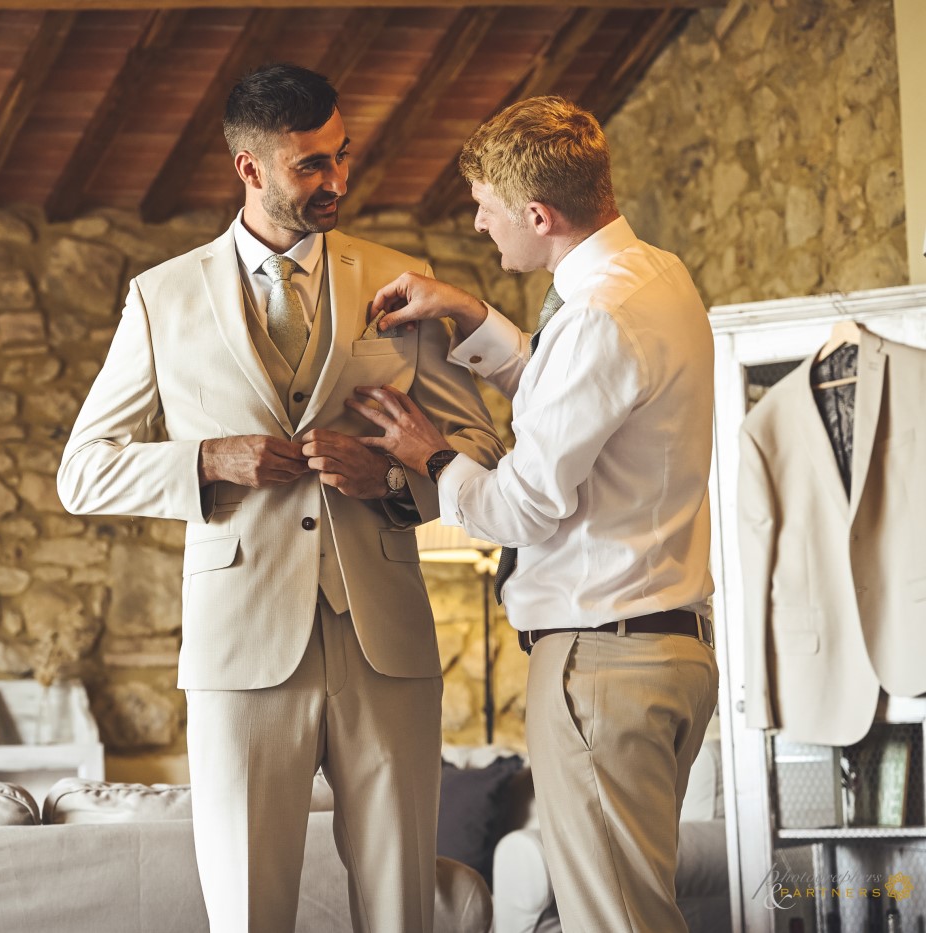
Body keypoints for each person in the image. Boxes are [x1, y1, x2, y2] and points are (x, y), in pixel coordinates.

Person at [57, 63, 501, 933]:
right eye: (311, 166)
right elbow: (84, 469)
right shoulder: (162, 299)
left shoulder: (400, 284)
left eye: (341, 156)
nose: (336, 180)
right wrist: (207, 460)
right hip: (241, 653)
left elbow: (483, 447)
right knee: (249, 912)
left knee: (402, 911)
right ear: (250, 169)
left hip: (387, 648)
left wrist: (399, 480)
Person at [349, 96, 718, 933]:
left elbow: (525, 504)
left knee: (616, 923)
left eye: (483, 206)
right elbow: (580, 400)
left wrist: (431, 454)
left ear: (539, 215)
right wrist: (470, 315)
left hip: (603, 663)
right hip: (664, 651)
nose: (480, 226)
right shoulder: (655, 278)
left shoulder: (594, 315)